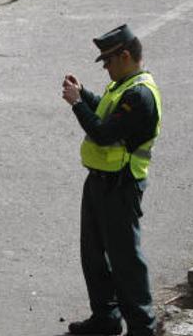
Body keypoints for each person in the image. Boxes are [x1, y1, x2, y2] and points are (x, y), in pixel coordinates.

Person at [61, 24, 162, 336]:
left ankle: (143, 328)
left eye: (108, 62)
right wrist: (86, 94)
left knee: (125, 260)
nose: (105, 67)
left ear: (126, 55)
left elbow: (104, 134)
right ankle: (105, 318)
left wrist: (77, 103)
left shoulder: (140, 95)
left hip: (120, 186)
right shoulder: (124, 86)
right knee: (92, 254)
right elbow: (107, 112)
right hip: (99, 183)